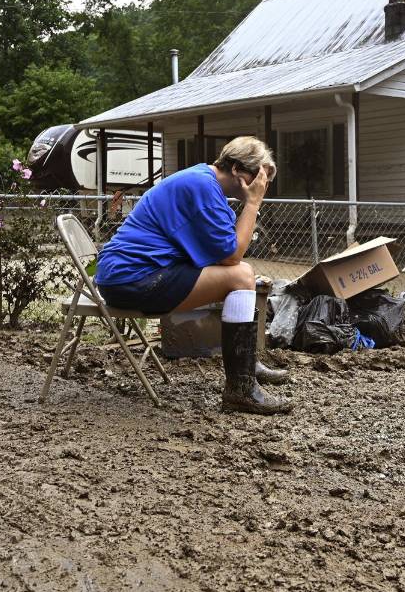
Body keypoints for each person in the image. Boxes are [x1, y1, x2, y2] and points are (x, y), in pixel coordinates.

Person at [94, 136, 291, 415]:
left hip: (133, 274)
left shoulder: (204, 183)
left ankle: (245, 367)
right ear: (236, 169)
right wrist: (252, 204)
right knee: (241, 275)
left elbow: (221, 252)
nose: (262, 186)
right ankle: (241, 386)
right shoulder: (202, 187)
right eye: (257, 177)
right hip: (132, 278)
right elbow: (232, 255)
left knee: (242, 275)